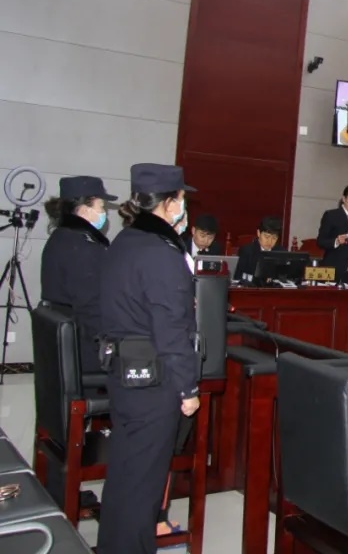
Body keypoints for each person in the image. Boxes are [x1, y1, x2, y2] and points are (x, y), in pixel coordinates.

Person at [97, 164, 201, 553]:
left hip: (124, 371)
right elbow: (172, 329)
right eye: (182, 199)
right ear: (169, 203)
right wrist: (188, 388)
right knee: (143, 488)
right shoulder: (161, 252)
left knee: (126, 475)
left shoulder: (125, 240)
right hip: (154, 380)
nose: (184, 207)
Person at [40, 176, 118, 373]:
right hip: (85, 346)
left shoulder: (60, 237)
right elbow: (91, 305)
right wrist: (110, 347)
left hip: (66, 342)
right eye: (101, 207)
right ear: (84, 210)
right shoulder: (84, 247)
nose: (104, 213)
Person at [233, 216, 285, 282]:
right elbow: (238, 276)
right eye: (267, 237)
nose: (270, 241)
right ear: (258, 233)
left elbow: (284, 276)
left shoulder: (281, 252)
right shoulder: (247, 251)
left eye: (274, 238)